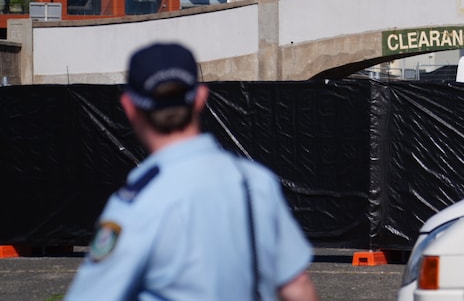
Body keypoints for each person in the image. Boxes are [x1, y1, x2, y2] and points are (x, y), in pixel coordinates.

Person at [66, 42, 319, 301]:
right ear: (200, 98)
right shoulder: (254, 181)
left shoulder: (137, 205)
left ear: (129, 107)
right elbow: (296, 286)